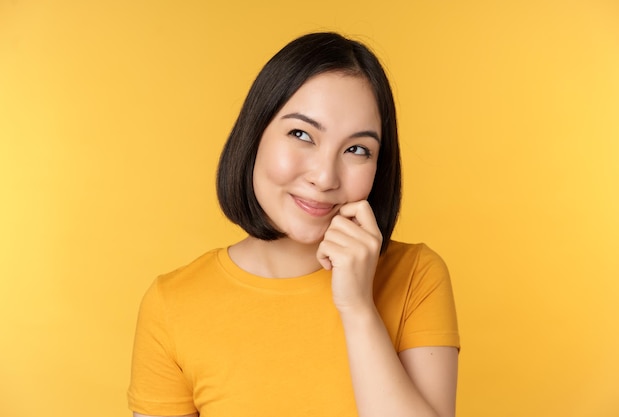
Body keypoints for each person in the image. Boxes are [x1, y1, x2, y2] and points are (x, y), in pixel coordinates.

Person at [128, 32, 460, 417]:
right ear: (254, 136)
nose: (324, 177)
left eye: (357, 149)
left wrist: (357, 308)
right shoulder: (172, 304)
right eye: (301, 134)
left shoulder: (416, 276)